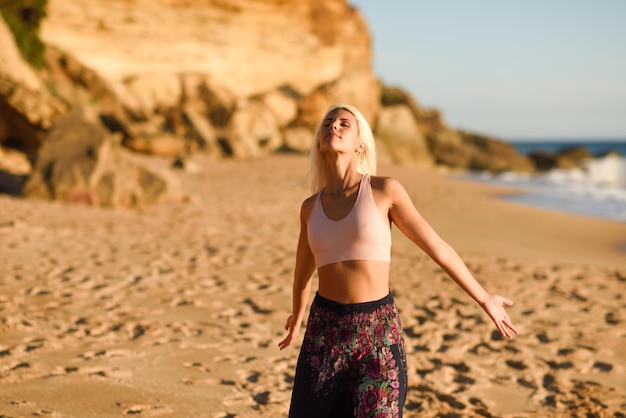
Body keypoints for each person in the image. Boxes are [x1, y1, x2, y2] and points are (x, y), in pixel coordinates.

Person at [278, 103, 519, 417]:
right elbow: (301, 274)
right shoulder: (310, 207)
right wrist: (297, 319)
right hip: (324, 331)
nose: (333, 127)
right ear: (320, 143)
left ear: (360, 143)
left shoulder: (384, 190)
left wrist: (484, 297)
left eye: (344, 123)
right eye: (327, 124)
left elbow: (437, 247)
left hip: (377, 331)